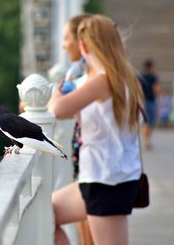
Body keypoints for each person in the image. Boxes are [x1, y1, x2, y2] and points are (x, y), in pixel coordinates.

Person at [48, 14, 143, 245]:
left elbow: (57, 109)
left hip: (107, 181)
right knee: (44, 214)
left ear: (83, 46)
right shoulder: (123, 78)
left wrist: (56, 93)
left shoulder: (103, 81)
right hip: (103, 178)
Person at [58, 13, 94, 245]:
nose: (63, 44)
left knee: (90, 228)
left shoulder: (83, 70)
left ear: (81, 39)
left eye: (66, 38)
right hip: (86, 153)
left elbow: (60, 101)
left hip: (92, 160)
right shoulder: (83, 69)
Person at [138, 59, 160, 149]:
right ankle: (148, 140)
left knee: (145, 121)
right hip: (151, 100)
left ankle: (145, 140)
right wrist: (159, 99)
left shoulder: (139, 76)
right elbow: (156, 89)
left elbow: (137, 89)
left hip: (142, 100)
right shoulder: (153, 77)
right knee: (150, 121)